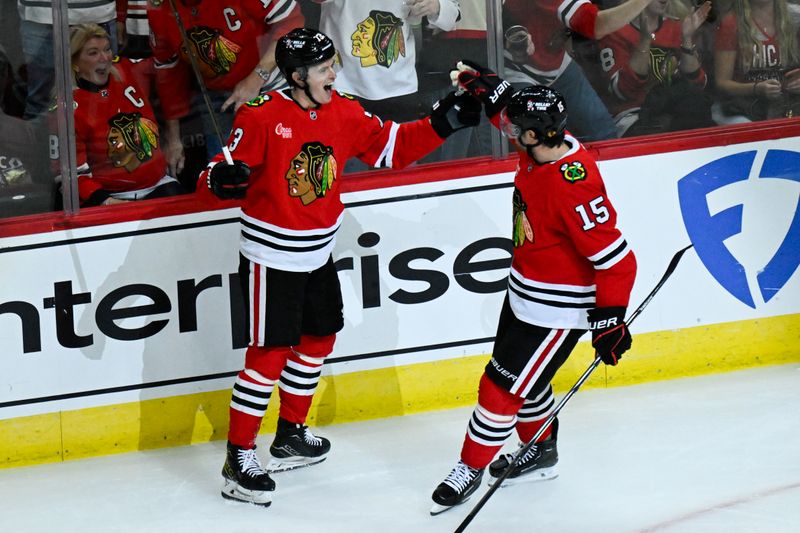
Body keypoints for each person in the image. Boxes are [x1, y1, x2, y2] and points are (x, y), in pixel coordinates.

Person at [199, 27, 480, 507]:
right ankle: (238, 455)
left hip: (317, 253)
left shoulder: (344, 110)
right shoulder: (262, 115)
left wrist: (445, 122)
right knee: (268, 356)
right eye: (325, 66)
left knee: (319, 338)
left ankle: (289, 434)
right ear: (296, 76)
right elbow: (213, 177)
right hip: (273, 258)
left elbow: (394, 147)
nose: (335, 72)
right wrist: (221, 179)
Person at [429, 62, 637, 514]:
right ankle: (539, 450)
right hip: (524, 291)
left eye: (514, 127)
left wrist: (610, 317)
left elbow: (618, 260)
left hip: (556, 311)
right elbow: (506, 104)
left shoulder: (572, 185)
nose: (505, 127)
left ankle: (470, 467)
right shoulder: (542, 143)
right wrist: (483, 83)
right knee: (531, 381)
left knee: (499, 388)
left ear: (532, 136)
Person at [147, 0, 304, 162]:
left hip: (269, 79)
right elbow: (169, 74)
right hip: (216, 95)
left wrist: (256, 78)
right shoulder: (160, 9)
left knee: (281, 160)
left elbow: (291, 22)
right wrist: (173, 138)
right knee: (224, 171)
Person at [60, 23, 185, 207]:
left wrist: (173, 138)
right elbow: (72, 177)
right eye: (93, 53)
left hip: (159, 185)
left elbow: (168, 65)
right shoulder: (67, 108)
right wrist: (109, 202)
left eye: (107, 50)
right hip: (111, 198)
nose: (105, 58)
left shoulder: (129, 69)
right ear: (75, 64)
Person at [502, 0, 658, 142]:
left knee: (604, 132)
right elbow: (597, 25)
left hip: (558, 64)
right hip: (518, 71)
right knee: (540, 142)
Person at [594, 0, 714, 137]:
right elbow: (621, 91)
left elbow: (699, 84)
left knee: (702, 125)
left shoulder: (676, 27)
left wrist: (687, 39)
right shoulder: (614, 31)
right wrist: (644, 41)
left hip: (675, 111)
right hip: (634, 116)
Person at [17, 0, 119, 120]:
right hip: (41, 13)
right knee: (40, 103)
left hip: (97, 11)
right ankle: (37, 138)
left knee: (107, 99)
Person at [713, 0, 800, 123]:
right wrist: (756, 88)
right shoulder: (731, 23)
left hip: (790, 103)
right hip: (745, 108)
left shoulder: (796, 18)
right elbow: (722, 83)